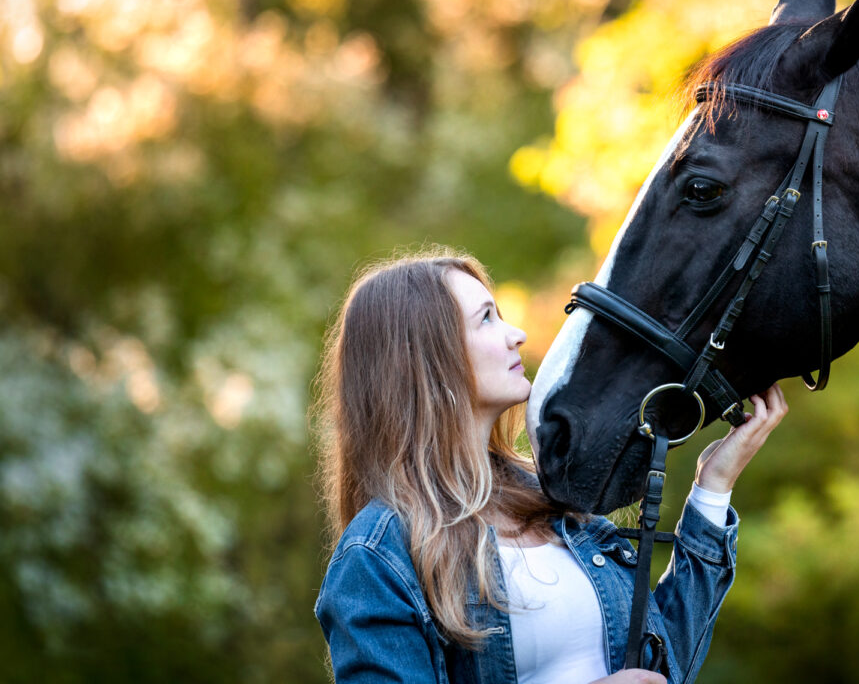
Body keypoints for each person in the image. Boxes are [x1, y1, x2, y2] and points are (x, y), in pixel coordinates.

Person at [313, 250, 788, 684]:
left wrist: (713, 487)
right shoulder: (378, 555)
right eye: (486, 319)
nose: (516, 333)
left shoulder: (553, 500)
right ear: (430, 361)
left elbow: (665, 665)